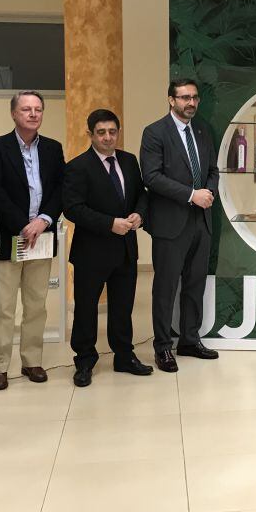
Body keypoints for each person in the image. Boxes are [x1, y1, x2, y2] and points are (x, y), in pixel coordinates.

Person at [64, 109, 153, 387]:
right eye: (101, 132)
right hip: (92, 251)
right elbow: (73, 209)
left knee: (123, 306)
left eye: (112, 131)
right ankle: (85, 360)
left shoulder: (128, 161)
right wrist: (109, 223)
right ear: (90, 134)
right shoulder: (78, 166)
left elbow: (141, 195)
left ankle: (124, 356)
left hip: (126, 249)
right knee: (86, 308)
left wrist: (139, 213)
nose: (107, 137)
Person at [140, 79, 220, 373]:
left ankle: (189, 339)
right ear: (171, 100)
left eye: (195, 97)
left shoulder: (202, 130)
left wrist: (208, 192)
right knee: (165, 288)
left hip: (202, 222)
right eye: (185, 97)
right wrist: (191, 195)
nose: (191, 103)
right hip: (170, 224)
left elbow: (212, 170)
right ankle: (163, 347)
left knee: (195, 285)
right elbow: (152, 177)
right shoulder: (155, 132)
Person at [0, 91, 64, 390]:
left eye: (38, 109)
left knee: (36, 304)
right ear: (14, 114)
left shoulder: (53, 149)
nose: (33, 114)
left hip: (42, 238)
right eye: (26, 109)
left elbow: (59, 188)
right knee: (3, 306)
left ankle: (32, 360)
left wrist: (43, 219)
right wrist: (22, 225)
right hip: (9, 238)